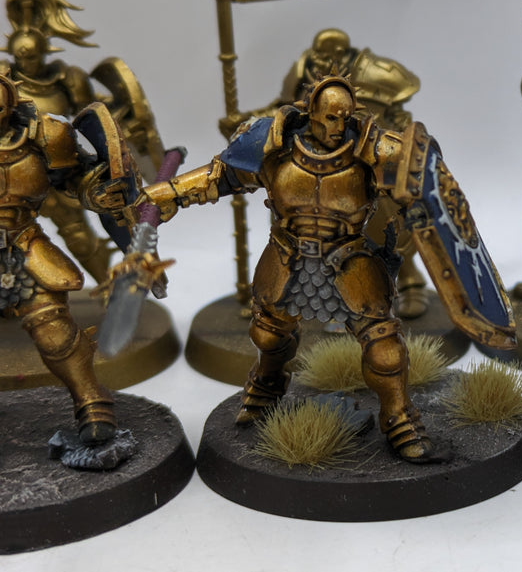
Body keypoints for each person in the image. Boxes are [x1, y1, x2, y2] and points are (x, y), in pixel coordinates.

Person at [140, 76, 441, 462]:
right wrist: (171, 192)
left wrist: (417, 208)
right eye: (330, 117)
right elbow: (220, 177)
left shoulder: (373, 152)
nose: (338, 126)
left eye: (345, 117)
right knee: (267, 334)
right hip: (287, 258)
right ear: (311, 112)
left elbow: (424, 195)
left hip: (350, 263)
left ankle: (399, 417)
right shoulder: (273, 147)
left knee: (385, 350)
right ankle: (267, 384)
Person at [220, 29, 429, 318]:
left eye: (327, 54)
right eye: (318, 54)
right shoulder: (303, 69)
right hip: (309, 160)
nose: (321, 59)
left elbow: (399, 121)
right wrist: (246, 121)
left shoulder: (378, 72)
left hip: (364, 162)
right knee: (290, 223)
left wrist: (393, 149)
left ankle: (409, 282)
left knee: (387, 224)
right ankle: (276, 299)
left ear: (342, 52)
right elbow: (283, 108)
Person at [1, 0, 165, 282]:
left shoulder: (69, 79)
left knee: (80, 239)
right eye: (22, 56)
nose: (27, 62)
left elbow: (93, 117)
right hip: (10, 177)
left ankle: (111, 288)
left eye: (32, 56)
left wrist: (127, 124)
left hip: (59, 171)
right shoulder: (4, 79)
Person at [0, 74, 130, 443]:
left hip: (23, 246)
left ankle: (91, 401)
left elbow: (77, 180)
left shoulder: (45, 137)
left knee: (55, 332)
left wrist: (97, 192)